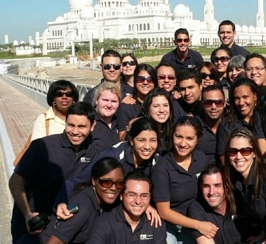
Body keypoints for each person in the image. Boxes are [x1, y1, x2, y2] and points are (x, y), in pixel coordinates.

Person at [9, 102, 98, 243]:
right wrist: (27, 214)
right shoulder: (42, 146)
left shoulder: (95, 151)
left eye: (81, 126)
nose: (75, 132)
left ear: (93, 126)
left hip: (63, 228)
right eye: (71, 125)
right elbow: (15, 181)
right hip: (33, 225)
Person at [55, 118, 160, 209]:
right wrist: (61, 202)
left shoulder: (156, 161)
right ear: (131, 140)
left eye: (153, 140)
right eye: (141, 140)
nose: (147, 146)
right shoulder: (112, 156)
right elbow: (77, 181)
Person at [151, 116, 217, 244]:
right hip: (171, 226)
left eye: (189, 138)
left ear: (197, 140)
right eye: (179, 136)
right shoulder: (162, 168)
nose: (182, 143)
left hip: (198, 218)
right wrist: (198, 225)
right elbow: (164, 212)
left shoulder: (201, 158)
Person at [38, 157, 124, 244]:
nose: (114, 188)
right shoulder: (84, 208)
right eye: (106, 183)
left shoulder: (101, 203)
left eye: (120, 183)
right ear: (94, 181)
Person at [87, 170, 167, 244]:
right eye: (132, 195)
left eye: (144, 196)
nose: (138, 201)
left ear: (150, 198)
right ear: (121, 195)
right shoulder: (105, 222)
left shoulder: (156, 223)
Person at [187, 163, 242, 244]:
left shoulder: (240, 200)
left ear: (226, 186)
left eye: (217, 185)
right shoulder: (196, 209)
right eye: (206, 186)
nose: (211, 192)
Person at [216, 78, 266, 164]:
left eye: (245, 97)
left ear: (255, 97)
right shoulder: (226, 125)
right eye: (237, 98)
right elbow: (223, 158)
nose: (241, 102)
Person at [117, 63, 156, 140]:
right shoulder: (126, 107)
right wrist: (131, 126)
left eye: (150, 79)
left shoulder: (161, 104)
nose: (145, 82)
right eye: (141, 79)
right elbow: (121, 139)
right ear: (135, 81)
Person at [196, 85, 226, 163]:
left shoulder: (230, 125)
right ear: (202, 104)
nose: (213, 107)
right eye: (208, 103)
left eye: (218, 102)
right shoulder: (193, 126)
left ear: (224, 103)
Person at [141, 87, 174, 155]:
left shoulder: (174, 130)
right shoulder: (140, 131)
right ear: (148, 108)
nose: (162, 110)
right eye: (156, 106)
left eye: (165, 105)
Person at [91, 81, 121, 151]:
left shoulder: (120, 122)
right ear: (97, 100)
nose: (109, 105)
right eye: (105, 100)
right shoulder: (88, 121)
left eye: (114, 101)